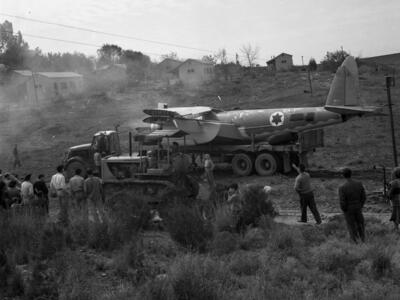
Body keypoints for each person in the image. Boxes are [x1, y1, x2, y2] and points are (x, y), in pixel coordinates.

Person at [339, 168, 367, 243]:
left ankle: (355, 242)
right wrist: (360, 205)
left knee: (351, 226)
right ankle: (363, 240)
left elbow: (342, 201)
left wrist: (344, 209)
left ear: (343, 176)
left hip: (348, 209)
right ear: (351, 174)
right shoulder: (359, 183)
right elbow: (364, 197)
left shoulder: (342, 187)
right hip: (358, 206)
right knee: (360, 224)